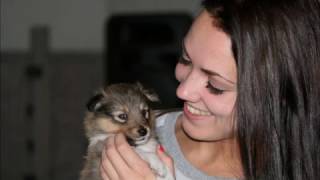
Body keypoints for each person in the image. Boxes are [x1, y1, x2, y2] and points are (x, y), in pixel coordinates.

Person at [99, 0, 320, 179]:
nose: (182, 92)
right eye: (185, 59)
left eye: (216, 86)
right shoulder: (126, 145)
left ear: (280, 96)